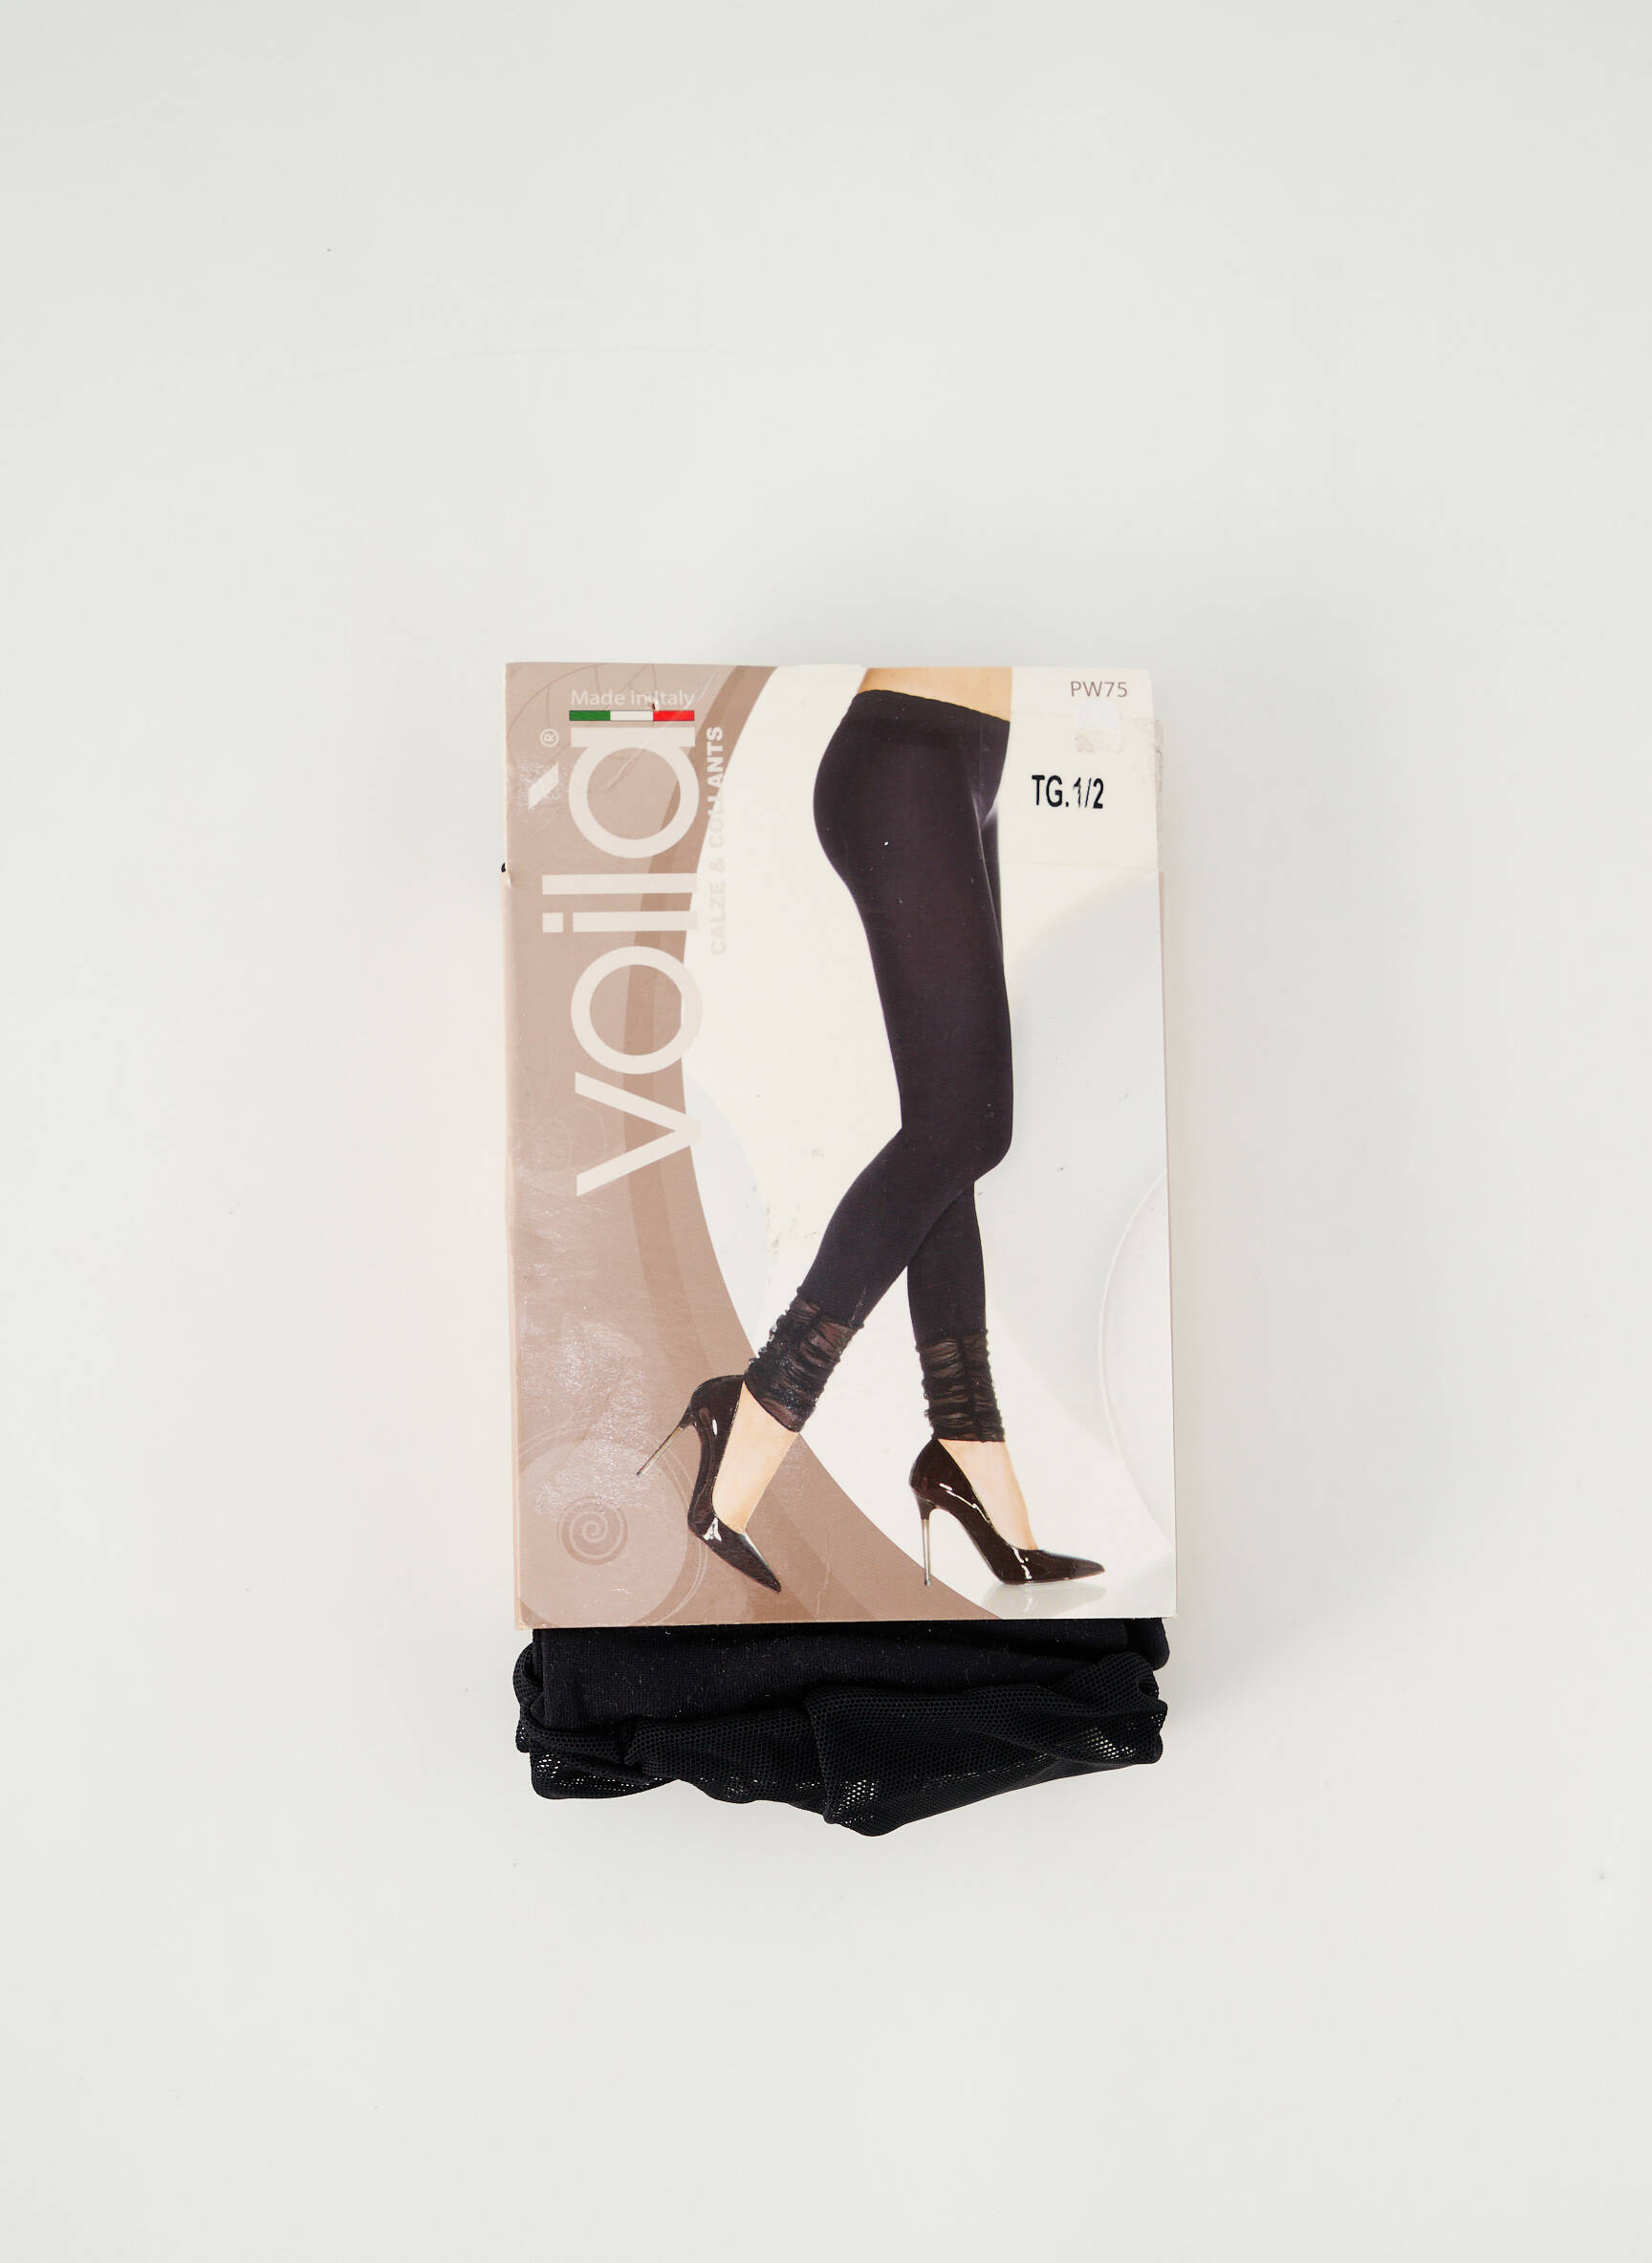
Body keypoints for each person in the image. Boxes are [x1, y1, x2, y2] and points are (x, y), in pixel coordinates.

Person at [641, 667, 1100, 1594]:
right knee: (967, 1126)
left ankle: (968, 1445)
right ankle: (762, 1400)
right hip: (906, 759)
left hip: (966, 766)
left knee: (950, 1131)